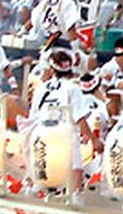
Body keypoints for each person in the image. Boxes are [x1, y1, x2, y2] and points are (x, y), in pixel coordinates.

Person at [28, 51, 103, 192]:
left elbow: (33, 116)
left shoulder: (41, 88)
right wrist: (94, 140)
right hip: (64, 133)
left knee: (42, 167)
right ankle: (75, 196)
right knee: (76, 167)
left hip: (41, 132)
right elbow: (79, 118)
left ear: (52, 69)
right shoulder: (73, 88)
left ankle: (36, 189)